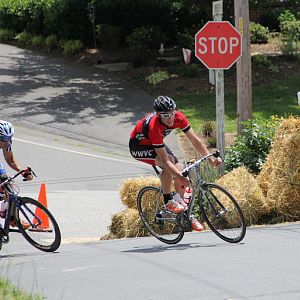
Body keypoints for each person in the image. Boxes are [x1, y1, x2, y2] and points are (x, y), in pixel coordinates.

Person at [129, 96, 221, 231]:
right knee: (170, 165)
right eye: (165, 115)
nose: (170, 118)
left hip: (156, 144)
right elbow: (165, 160)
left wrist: (210, 158)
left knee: (181, 173)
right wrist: (179, 175)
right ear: (158, 115)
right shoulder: (154, 126)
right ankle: (168, 203)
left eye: (172, 113)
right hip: (139, 147)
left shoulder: (179, 117)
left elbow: (195, 141)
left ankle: (186, 214)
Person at [0, 120, 33, 228]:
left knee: (7, 185)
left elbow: (10, 158)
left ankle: (12, 218)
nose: (6, 142)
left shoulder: (6, 141)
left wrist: (22, 171)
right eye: (3, 139)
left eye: (9, 138)